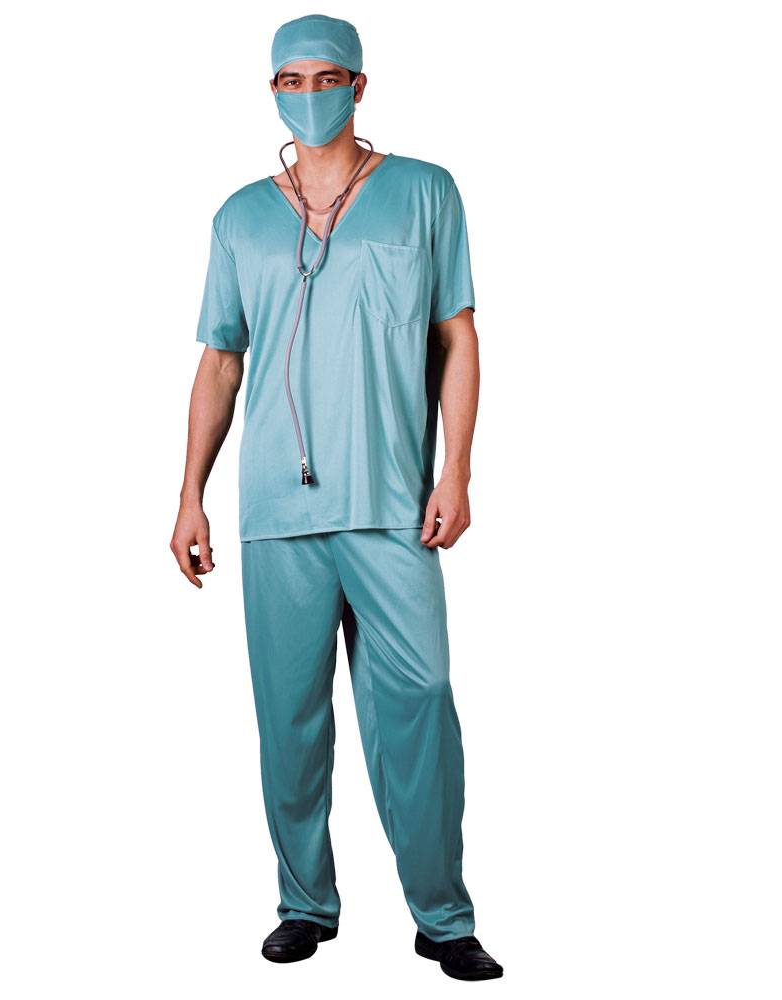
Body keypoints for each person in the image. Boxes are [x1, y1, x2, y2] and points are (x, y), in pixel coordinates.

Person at [170, 14, 502, 982]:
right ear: (271, 90)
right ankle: (305, 905)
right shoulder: (239, 216)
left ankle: (442, 917)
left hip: (392, 502)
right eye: (291, 79)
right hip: (277, 509)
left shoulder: (424, 191)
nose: (307, 94)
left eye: (326, 78)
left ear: (359, 85)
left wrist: (456, 470)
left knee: (420, 703)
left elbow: (457, 334)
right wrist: (189, 494)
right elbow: (220, 361)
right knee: (290, 720)